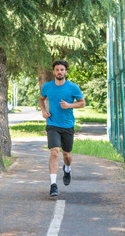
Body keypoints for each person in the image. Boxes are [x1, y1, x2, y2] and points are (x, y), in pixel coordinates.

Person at [39, 60, 85, 197]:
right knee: (54, 152)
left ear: (66, 72)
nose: (59, 72)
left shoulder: (73, 87)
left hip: (68, 125)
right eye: (57, 70)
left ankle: (68, 168)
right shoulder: (47, 87)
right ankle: (53, 185)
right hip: (52, 124)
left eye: (62, 70)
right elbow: (41, 99)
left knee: (66, 154)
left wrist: (70, 105)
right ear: (53, 72)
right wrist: (43, 111)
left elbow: (82, 103)